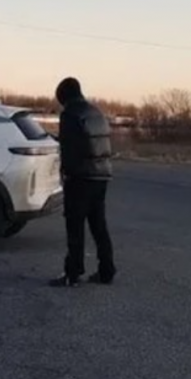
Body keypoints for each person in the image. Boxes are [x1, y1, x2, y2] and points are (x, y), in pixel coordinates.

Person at [50, 77, 116, 287]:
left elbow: (70, 149)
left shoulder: (70, 115)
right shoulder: (96, 112)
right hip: (101, 176)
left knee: (75, 226)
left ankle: (73, 272)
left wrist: (66, 174)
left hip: (80, 177)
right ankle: (107, 270)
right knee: (99, 225)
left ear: (64, 96)